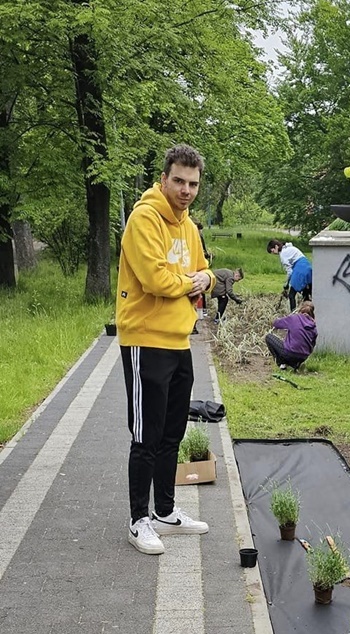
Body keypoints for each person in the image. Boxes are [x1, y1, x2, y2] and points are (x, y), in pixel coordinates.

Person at [116, 143, 216, 555]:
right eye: (179, 181)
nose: (186, 190)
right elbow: (156, 279)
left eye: (193, 183)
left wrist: (204, 279)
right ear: (164, 179)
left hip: (179, 341)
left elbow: (205, 268)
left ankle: (165, 512)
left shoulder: (189, 227)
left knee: (172, 432)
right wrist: (188, 281)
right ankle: (139, 521)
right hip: (145, 339)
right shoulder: (144, 219)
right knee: (146, 434)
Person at [265, 301, 318, 371]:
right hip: (304, 356)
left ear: (300, 308)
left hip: (290, 352)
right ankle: (296, 364)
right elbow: (313, 344)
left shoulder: (294, 318)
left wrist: (271, 320)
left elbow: (276, 324)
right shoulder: (313, 326)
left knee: (269, 337)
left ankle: (281, 363)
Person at [267, 238, 312, 311]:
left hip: (300, 270)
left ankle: (293, 314)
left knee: (291, 295)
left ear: (276, 247)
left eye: (272, 251)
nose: (273, 253)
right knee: (308, 293)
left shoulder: (283, 255)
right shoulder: (288, 247)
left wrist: (286, 284)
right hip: (308, 267)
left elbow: (290, 272)